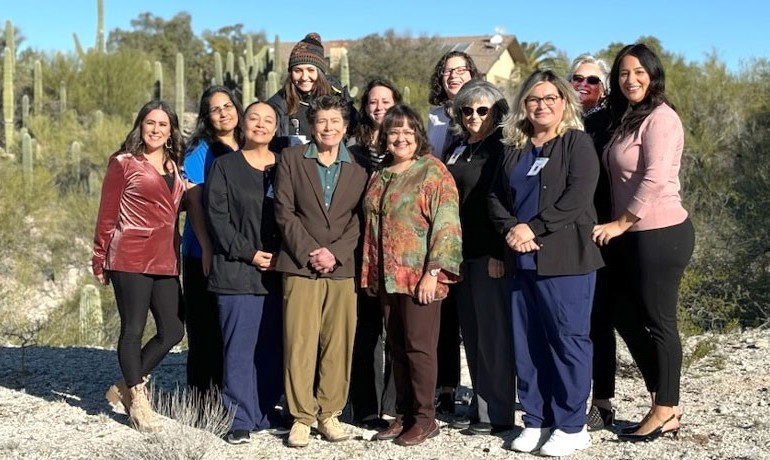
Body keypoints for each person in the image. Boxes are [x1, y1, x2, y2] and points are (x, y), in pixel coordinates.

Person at [488, 70, 603, 457]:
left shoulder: (577, 143)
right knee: (528, 342)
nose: (542, 105)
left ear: (564, 102)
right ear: (524, 104)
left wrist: (532, 228)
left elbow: (577, 197)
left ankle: (571, 426)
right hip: (522, 261)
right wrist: (511, 229)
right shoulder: (514, 147)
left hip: (566, 259)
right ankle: (537, 420)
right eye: (534, 99)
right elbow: (495, 197)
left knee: (567, 341)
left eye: (551, 98)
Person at [592, 43, 694, 442]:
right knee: (623, 313)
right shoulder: (629, 119)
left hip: (661, 232)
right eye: (622, 73)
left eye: (638, 72)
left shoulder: (662, 118)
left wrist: (619, 223)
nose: (630, 79)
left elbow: (653, 178)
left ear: (653, 74)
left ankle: (666, 408)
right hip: (634, 237)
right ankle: (663, 396)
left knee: (659, 322)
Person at [361, 104, 463, 446]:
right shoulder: (381, 172)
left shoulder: (433, 172)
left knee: (420, 347)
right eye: (393, 131)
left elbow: (447, 226)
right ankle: (403, 414)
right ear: (384, 138)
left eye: (407, 131)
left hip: (420, 276)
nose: (401, 137)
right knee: (397, 345)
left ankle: (425, 417)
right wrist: (372, 273)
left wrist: (433, 272)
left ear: (418, 134)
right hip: (386, 275)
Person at [273, 94, 368, 448]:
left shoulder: (359, 168)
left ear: (345, 127)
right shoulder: (292, 159)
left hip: (341, 268)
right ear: (311, 125)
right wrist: (311, 252)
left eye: (335, 121)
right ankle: (300, 416)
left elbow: (360, 219)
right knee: (299, 340)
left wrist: (336, 254)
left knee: (337, 341)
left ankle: (329, 412)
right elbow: (284, 211)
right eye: (321, 121)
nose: (328, 128)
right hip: (300, 264)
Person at [94, 100, 187, 433]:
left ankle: (123, 386)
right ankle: (138, 399)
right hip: (130, 255)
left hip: (165, 258)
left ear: (171, 130)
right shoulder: (124, 163)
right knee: (132, 329)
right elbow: (108, 214)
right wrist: (99, 256)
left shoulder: (176, 166)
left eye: (163, 124)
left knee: (173, 329)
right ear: (140, 125)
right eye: (150, 123)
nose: (156, 129)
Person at [205, 101, 284, 444]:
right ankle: (238, 417)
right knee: (239, 347)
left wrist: (282, 255)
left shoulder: (285, 167)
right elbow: (217, 220)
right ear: (243, 124)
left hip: (277, 272)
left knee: (271, 346)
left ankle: (265, 411)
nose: (261, 125)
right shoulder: (225, 167)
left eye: (269, 120)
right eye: (255, 118)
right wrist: (250, 253)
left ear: (276, 129)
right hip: (237, 271)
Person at [443, 80, 515, 434]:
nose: (474, 116)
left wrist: (500, 251)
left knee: (494, 336)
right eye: (467, 110)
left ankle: (498, 415)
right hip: (460, 253)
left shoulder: (502, 149)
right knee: (471, 334)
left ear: (497, 112)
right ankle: (480, 409)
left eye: (483, 110)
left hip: (490, 255)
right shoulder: (457, 148)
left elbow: (506, 202)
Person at [181, 85, 244, 396]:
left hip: (239, 251)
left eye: (228, 105)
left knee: (231, 330)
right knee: (204, 328)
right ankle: (201, 401)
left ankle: (231, 397)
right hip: (202, 251)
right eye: (215, 109)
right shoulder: (199, 152)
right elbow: (195, 203)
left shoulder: (250, 145)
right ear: (207, 117)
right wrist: (206, 248)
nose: (223, 112)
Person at [347, 78, 402, 428]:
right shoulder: (353, 153)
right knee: (365, 330)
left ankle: (397, 406)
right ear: (365, 108)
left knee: (397, 329)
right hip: (360, 251)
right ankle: (365, 406)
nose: (379, 106)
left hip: (399, 255)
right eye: (372, 102)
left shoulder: (408, 147)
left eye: (385, 100)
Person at [426, 50, 479, 415]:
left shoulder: (487, 111)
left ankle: (486, 391)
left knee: (476, 315)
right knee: (444, 315)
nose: (454, 76)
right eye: (448, 71)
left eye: (461, 70)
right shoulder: (433, 119)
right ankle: (445, 387)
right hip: (438, 224)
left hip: (473, 225)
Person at [568, 54, 617, 431]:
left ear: (604, 89)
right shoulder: (560, 119)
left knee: (599, 319)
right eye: (577, 77)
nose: (584, 84)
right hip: (562, 232)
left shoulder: (609, 123)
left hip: (600, 230)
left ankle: (602, 400)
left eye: (593, 80)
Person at [267, 32, 356, 153]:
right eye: (297, 70)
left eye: (310, 70)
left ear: (320, 73)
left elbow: (357, 131)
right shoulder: (278, 103)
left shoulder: (338, 97)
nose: (304, 77)